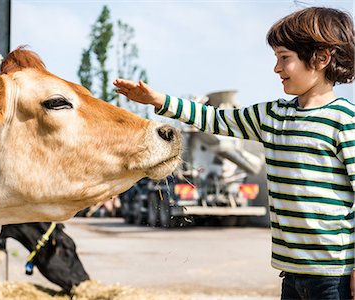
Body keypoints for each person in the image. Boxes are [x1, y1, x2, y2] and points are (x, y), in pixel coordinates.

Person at [113, 6, 355, 300]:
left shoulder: (345, 121)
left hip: (334, 276)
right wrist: (158, 99)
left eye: (284, 58)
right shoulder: (272, 116)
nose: (276, 68)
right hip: (290, 273)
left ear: (321, 58)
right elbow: (214, 119)